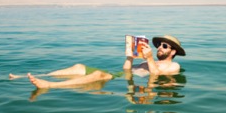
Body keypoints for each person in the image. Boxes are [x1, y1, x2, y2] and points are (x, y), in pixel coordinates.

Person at [12, 35, 186, 89]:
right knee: (79, 66)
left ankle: (49, 85)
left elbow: (155, 76)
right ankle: (26, 76)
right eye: (159, 45)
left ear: (173, 51)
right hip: (123, 76)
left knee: (97, 74)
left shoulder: (173, 66)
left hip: (125, 81)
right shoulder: (150, 60)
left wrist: (148, 59)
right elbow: (127, 70)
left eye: (165, 45)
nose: (160, 48)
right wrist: (129, 57)